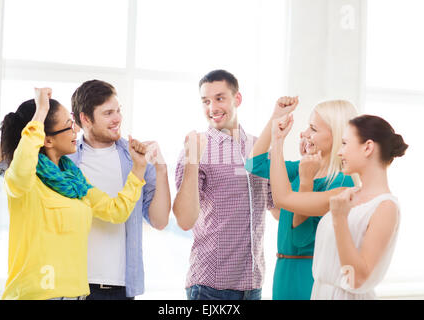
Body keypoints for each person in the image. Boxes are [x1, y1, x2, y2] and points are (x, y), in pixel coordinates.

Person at [0, 80, 171, 300]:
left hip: (77, 294)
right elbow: (12, 163)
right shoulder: (24, 178)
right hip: (35, 294)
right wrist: (40, 111)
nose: (75, 129)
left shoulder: (74, 179)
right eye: (69, 124)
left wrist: (139, 170)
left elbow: (116, 210)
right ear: (47, 139)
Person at [270, 112, 407, 299]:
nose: (339, 151)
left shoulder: (386, 207)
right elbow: (283, 198)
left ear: (367, 148)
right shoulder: (342, 194)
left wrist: (340, 218)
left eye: (344, 143)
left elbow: (357, 279)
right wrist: (277, 141)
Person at [173, 69, 275, 300]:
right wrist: (192, 160)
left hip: (253, 284)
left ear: (237, 99)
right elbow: (185, 220)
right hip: (210, 287)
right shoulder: (196, 148)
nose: (212, 108)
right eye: (206, 101)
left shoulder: (259, 147)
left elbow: (276, 209)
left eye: (220, 98)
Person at [245, 97, 357, 300]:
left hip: (308, 273)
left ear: (336, 136)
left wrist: (306, 181)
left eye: (313, 128)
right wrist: (275, 118)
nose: (304, 134)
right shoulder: (300, 168)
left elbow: (300, 237)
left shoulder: (342, 183)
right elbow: (254, 164)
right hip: (283, 270)